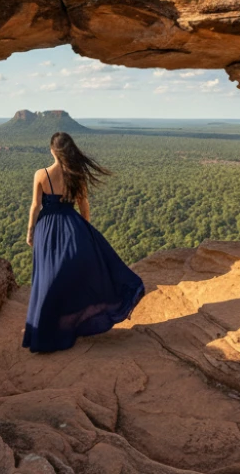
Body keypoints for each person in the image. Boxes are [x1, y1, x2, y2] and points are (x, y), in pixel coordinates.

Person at [22, 131, 145, 353]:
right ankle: (70, 325)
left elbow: (35, 206)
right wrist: (85, 230)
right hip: (71, 226)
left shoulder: (41, 174)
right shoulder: (76, 175)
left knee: (47, 278)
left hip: (46, 228)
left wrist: (30, 231)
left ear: (52, 150)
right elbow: (84, 206)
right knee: (72, 277)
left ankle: (44, 332)